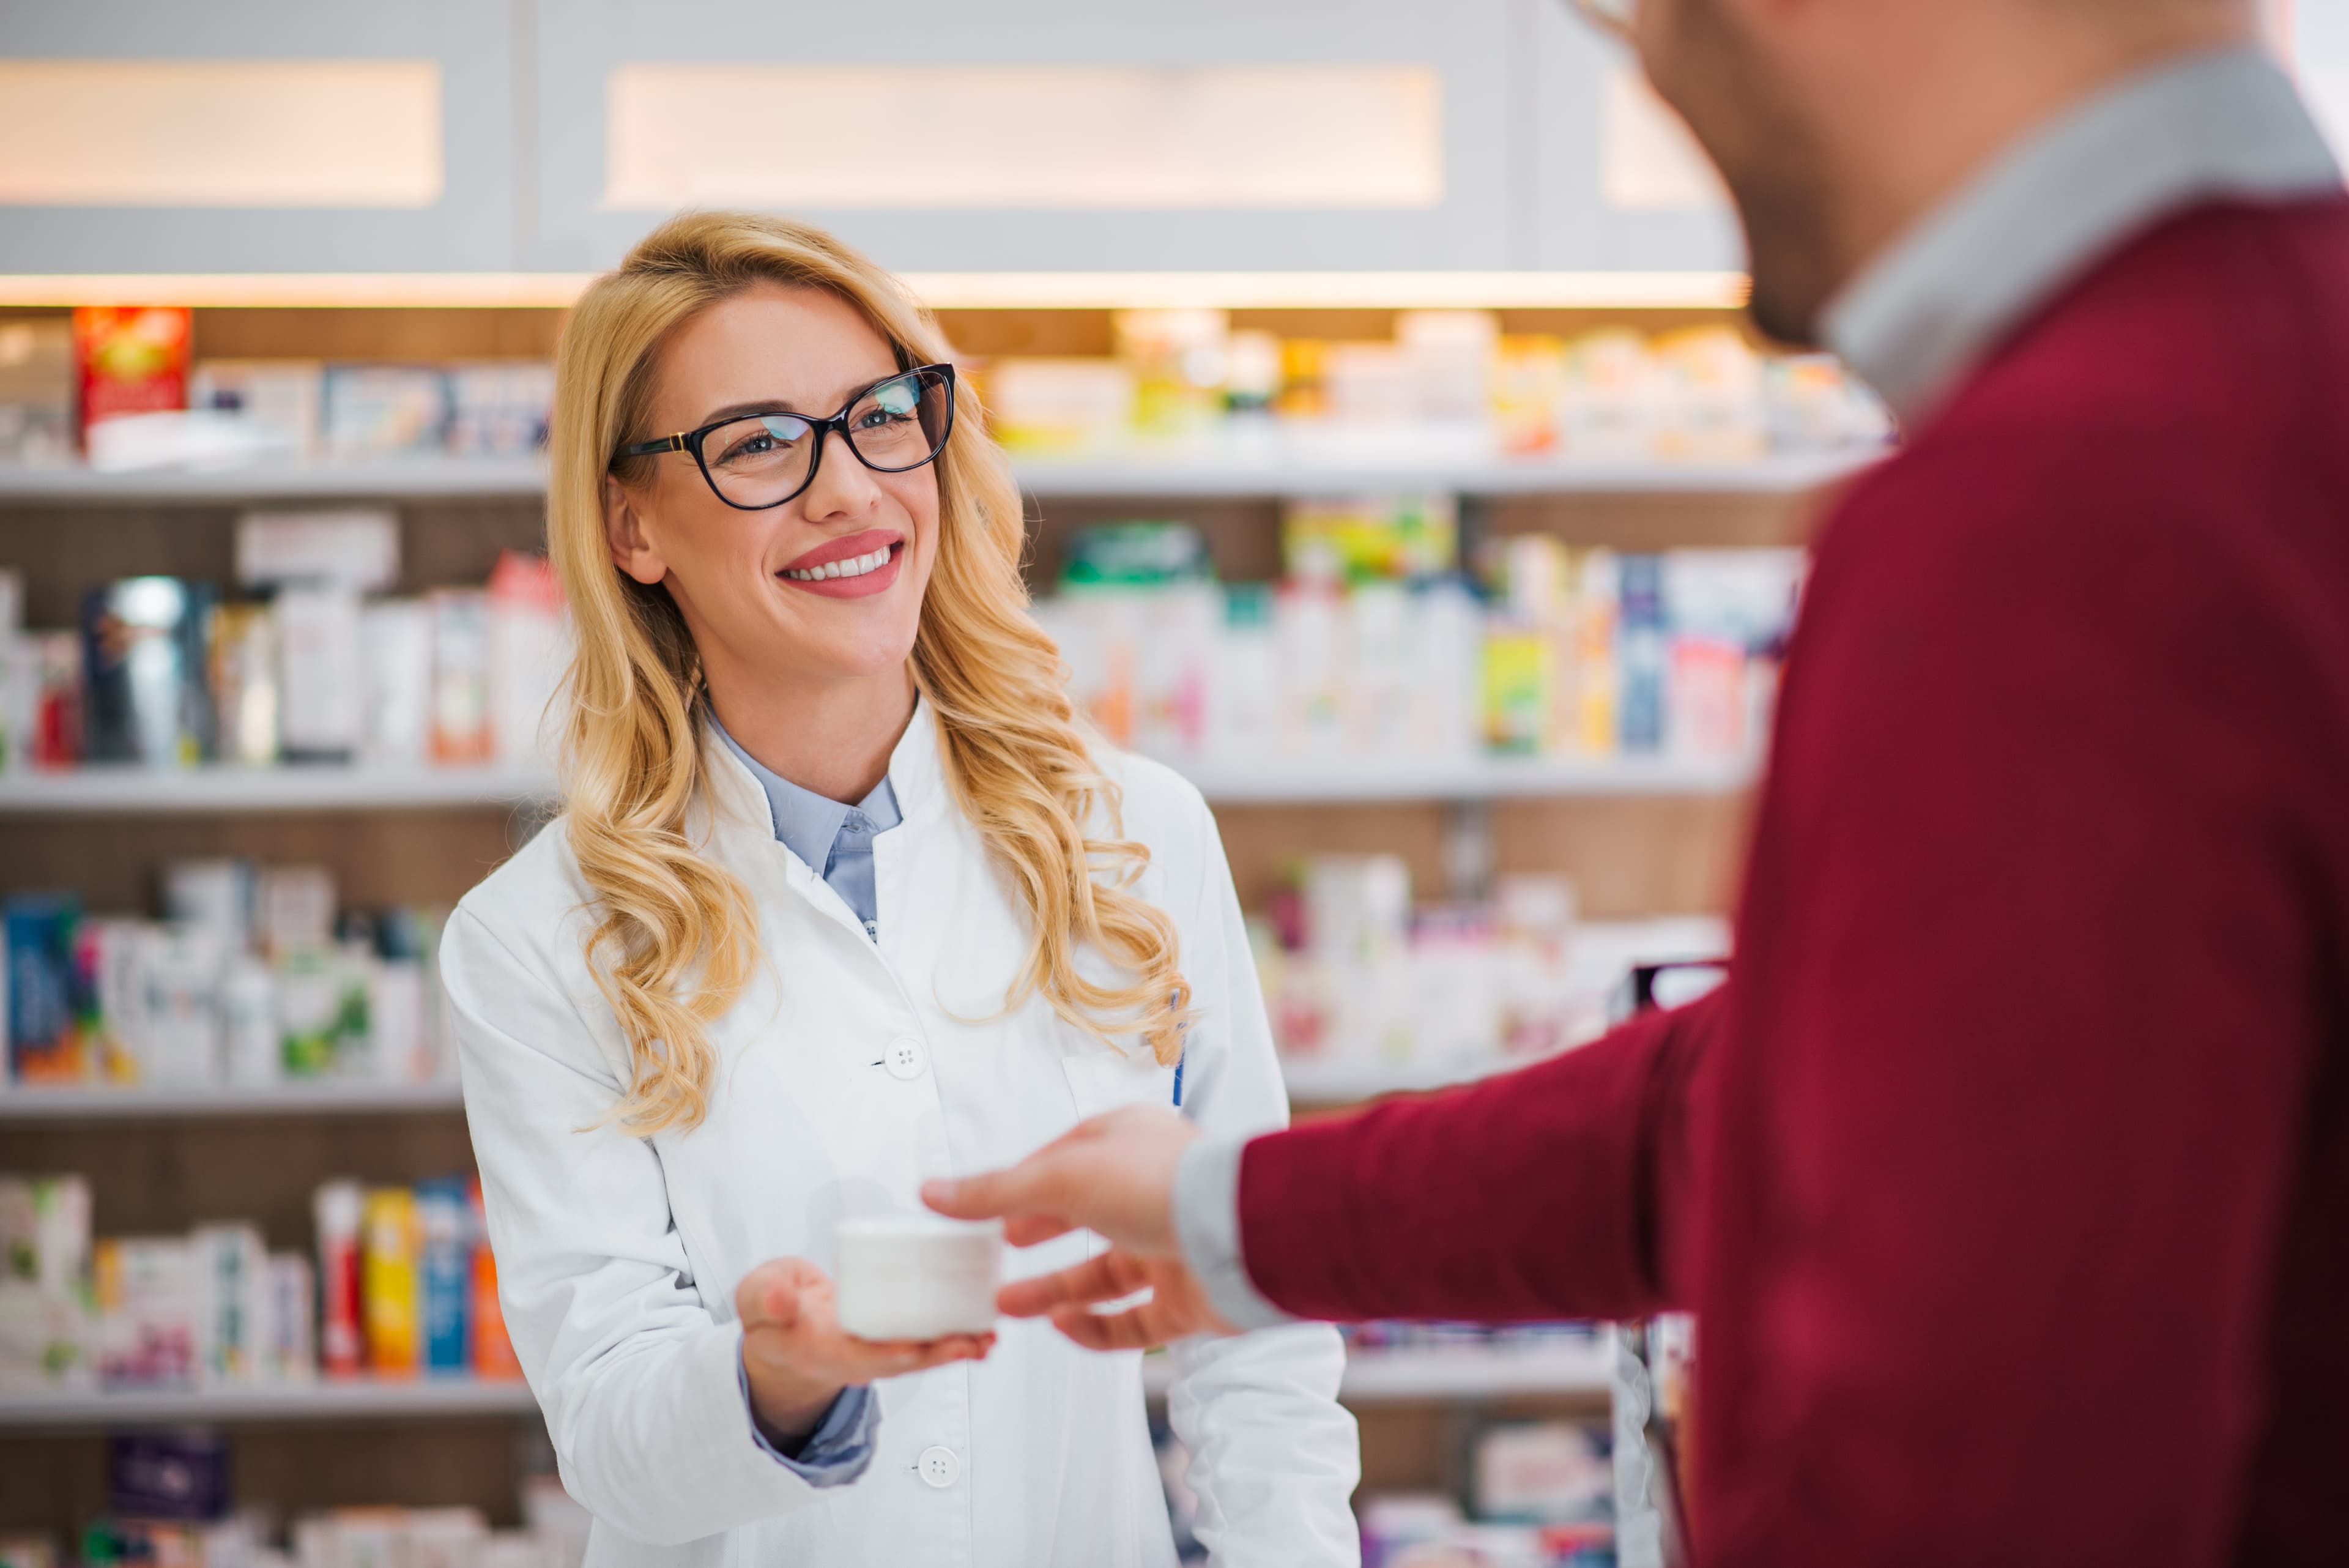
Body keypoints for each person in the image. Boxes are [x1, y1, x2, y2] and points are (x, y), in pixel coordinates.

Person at [924, 2, 2349, 1564]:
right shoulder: (2263, 381)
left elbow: (1977, 1477)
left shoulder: (2055, 510)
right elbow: (1784, 1100)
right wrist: (1239, 1214)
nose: (1654, 69)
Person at [442, 210, 1359, 1568]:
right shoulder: (538, 939)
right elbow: (610, 1427)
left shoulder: (1135, 834)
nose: (851, 491)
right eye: (758, 443)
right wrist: (782, 1375)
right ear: (631, 525)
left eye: (881, 415)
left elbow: (1259, 1325)